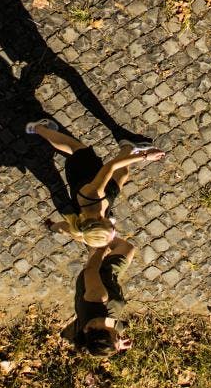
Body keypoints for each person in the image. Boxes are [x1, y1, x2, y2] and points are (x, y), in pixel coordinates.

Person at [26, 119, 164, 247]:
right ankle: (128, 146)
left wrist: (144, 156)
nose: (114, 228)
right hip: (106, 194)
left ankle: (38, 128)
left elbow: (111, 166)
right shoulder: (83, 231)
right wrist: (51, 226)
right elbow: (63, 229)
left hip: (83, 169)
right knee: (122, 174)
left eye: (112, 228)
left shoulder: (93, 194)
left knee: (73, 147)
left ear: (100, 220)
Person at [63, 239, 135, 356]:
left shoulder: (98, 298)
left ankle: (98, 236)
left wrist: (102, 248)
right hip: (103, 285)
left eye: (117, 338)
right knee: (94, 255)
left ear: (104, 333)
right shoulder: (91, 331)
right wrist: (118, 344)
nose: (121, 337)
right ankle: (93, 246)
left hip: (103, 274)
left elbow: (91, 271)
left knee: (126, 248)